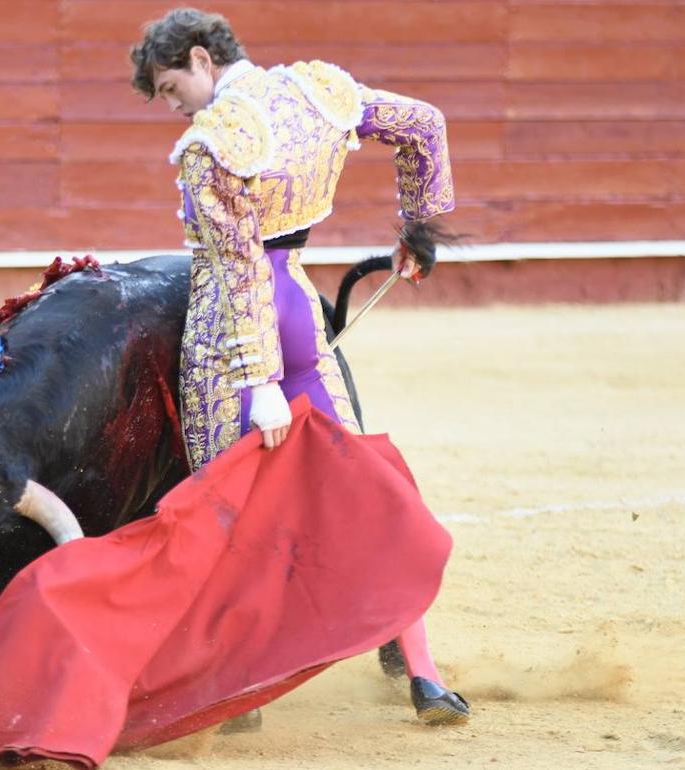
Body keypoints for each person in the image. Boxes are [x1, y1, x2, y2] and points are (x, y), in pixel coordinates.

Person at [130, 7, 469, 724]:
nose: (171, 107)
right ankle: (426, 676)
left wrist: (256, 382)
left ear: (200, 59)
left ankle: (233, 691)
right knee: (361, 485)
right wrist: (418, 232)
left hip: (232, 332)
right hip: (302, 316)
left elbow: (239, 268)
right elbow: (425, 125)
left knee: (222, 506)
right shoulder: (320, 91)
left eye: (168, 88)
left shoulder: (211, 143)